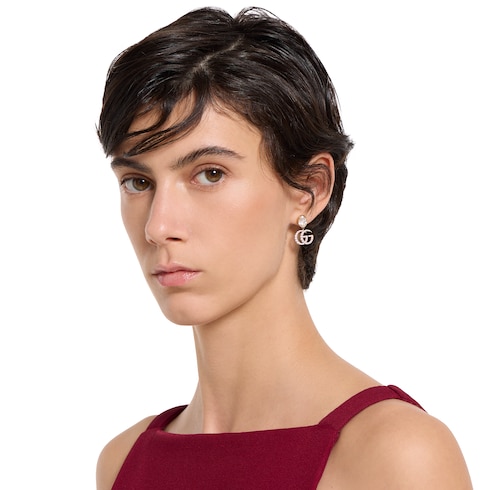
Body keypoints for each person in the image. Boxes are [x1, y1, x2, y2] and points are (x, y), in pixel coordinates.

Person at [96, 6, 472, 489]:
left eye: (209, 173)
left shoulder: (394, 457)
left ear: (309, 190)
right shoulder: (122, 461)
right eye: (137, 181)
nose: (158, 225)